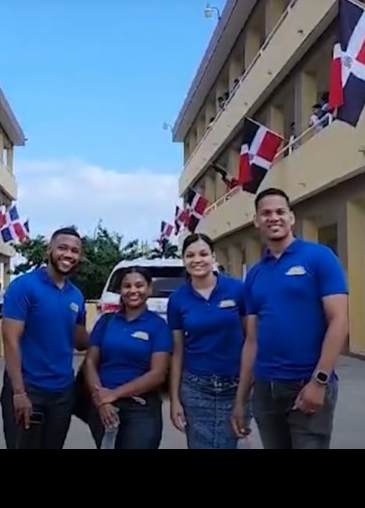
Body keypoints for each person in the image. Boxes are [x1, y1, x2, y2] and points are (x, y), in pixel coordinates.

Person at [233, 188, 349, 450]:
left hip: (306, 383)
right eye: (266, 213)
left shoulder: (319, 258)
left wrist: (319, 381)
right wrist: (241, 400)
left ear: (291, 217)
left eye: (280, 212)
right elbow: (252, 340)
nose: (273, 218)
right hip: (265, 389)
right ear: (256, 221)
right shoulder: (254, 274)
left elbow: (339, 321)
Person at [0, 227, 89, 449]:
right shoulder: (24, 287)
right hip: (29, 388)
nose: (69, 255)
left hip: (62, 392)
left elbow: (80, 341)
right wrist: (19, 392)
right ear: (48, 250)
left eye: (75, 251)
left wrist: (114, 329)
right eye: (63, 248)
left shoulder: (75, 295)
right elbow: (10, 340)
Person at [167, 232, 249, 449]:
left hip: (235, 385)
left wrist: (251, 383)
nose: (197, 260)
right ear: (183, 260)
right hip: (196, 387)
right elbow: (177, 352)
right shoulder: (177, 300)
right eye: (190, 255)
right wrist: (175, 399)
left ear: (213, 257)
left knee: (230, 442)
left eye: (203, 254)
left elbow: (251, 339)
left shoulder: (237, 290)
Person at [81, 266, 172, 449]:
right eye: (127, 286)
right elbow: (90, 362)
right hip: (105, 408)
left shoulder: (158, 326)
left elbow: (158, 374)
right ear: (120, 290)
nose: (133, 291)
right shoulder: (106, 321)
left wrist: (113, 394)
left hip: (142, 410)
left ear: (149, 288)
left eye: (139, 285)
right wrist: (101, 400)